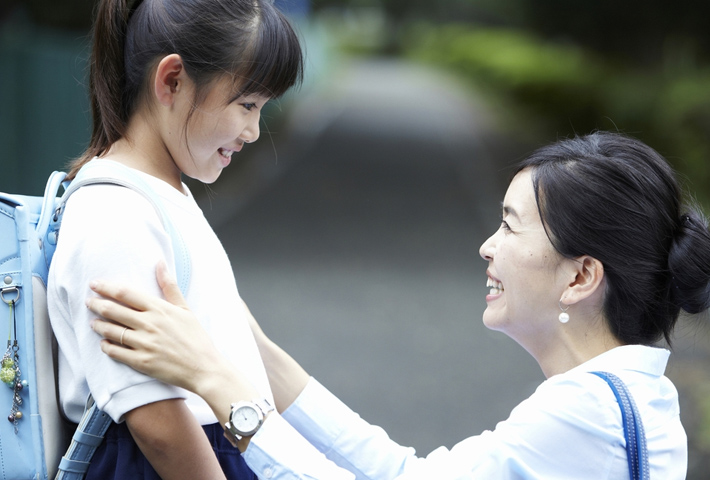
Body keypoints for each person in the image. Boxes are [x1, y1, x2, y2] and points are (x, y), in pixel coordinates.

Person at [86, 132, 710, 479]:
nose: (487, 246)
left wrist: (219, 386)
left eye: (511, 227)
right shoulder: (626, 400)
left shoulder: (586, 414)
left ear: (581, 277)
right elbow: (406, 472)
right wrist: (247, 339)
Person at [46, 0, 303, 478]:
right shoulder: (113, 214)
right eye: (246, 104)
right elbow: (157, 421)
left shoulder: (164, 194)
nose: (253, 131)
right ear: (172, 81)